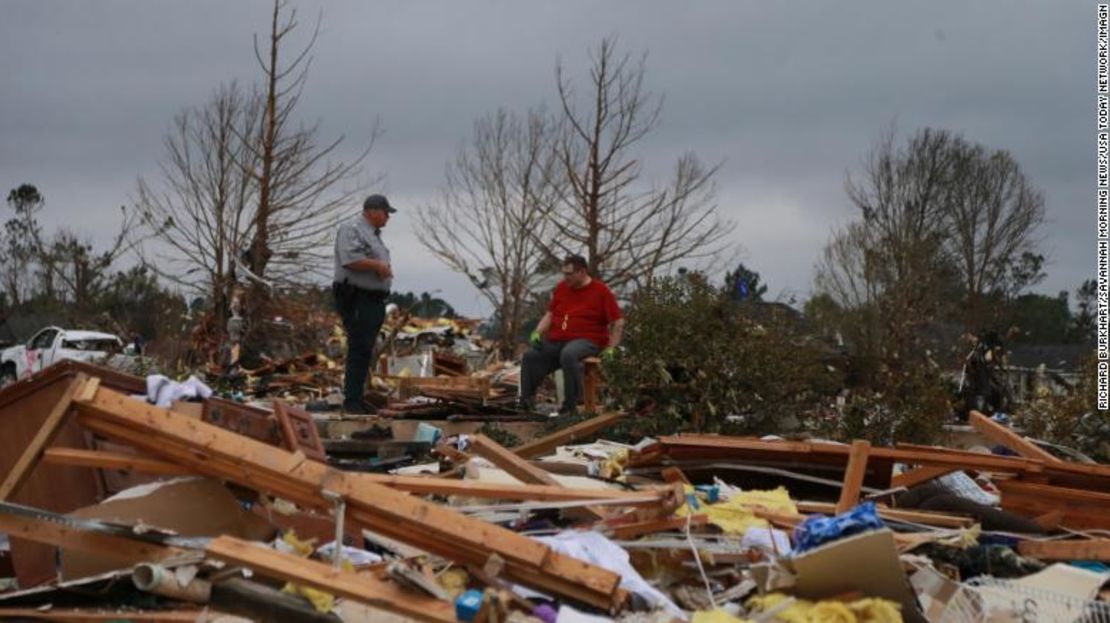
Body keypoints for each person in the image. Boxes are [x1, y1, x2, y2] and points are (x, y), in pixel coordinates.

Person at [520, 254, 624, 415]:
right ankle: (526, 403)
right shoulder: (562, 288)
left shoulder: (600, 291)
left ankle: (571, 406)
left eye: (569, 274)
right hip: (558, 340)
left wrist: (612, 348)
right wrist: (537, 332)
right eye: (564, 273)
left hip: (589, 340)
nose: (565, 277)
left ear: (582, 272)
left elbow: (618, 321)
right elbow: (550, 314)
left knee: (569, 354)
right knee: (530, 356)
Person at [333, 194, 395, 414]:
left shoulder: (373, 235)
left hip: (373, 299)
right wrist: (378, 266)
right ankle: (351, 402)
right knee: (359, 348)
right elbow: (350, 259)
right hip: (357, 296)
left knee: (366, 349)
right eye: (386, 212)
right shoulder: (352, 229)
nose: (388, 217)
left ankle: (358, 398)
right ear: (373, 211)